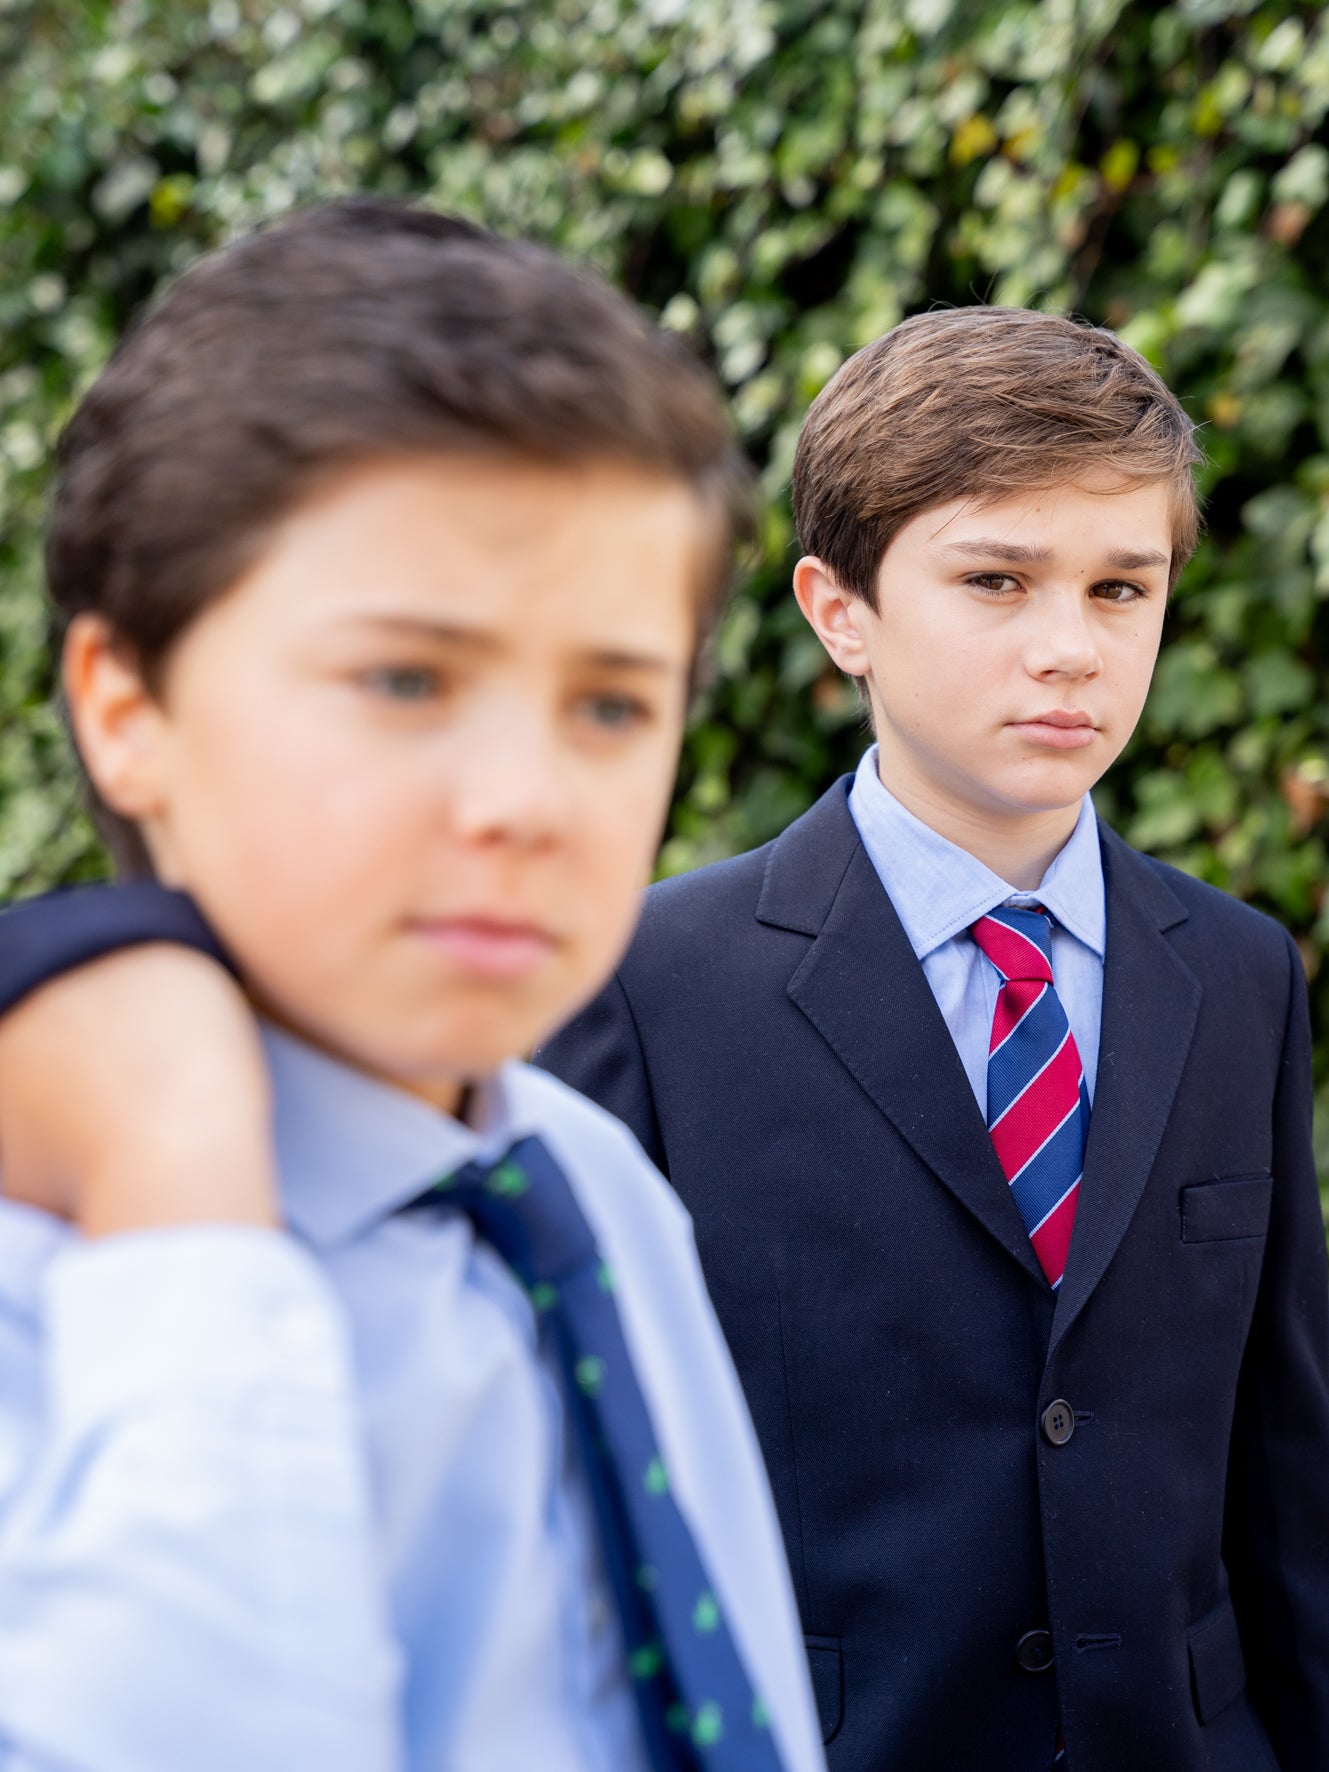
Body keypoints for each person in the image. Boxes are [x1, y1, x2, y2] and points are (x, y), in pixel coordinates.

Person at [0, 198, 826, 1772]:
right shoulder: (52, 1287)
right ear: (124, 708)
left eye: (610, 703)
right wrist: (180, 1186)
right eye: (404, 679)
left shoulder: (588, 1189)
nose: (527, 798)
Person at [538, 307, 1329, 1772]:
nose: (1067, 649)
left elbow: (1284, 1472)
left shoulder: (1235, 975)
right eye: (993, 581)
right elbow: (584, 1485)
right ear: (839, 611)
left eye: (1118, 588)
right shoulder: (648, 983)